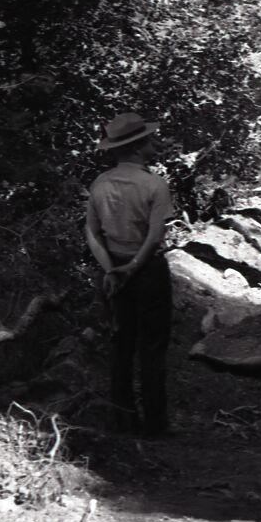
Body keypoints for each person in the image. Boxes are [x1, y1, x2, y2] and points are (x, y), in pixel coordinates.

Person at [86, 112, 175, 436]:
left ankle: (122, 420)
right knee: (152, 348)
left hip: (114, 270)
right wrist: (133, 266)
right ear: (138, 147)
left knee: (122, 346)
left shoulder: (100, 183)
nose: (154, 143)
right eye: (149, 140)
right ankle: (155, 425)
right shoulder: (154, 184)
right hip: (147, 269)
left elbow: (92, 233)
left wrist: (111, 269)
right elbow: (155, 236)